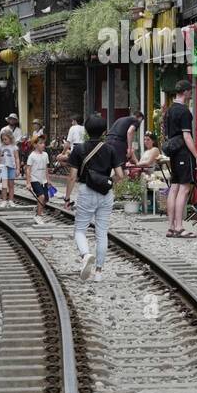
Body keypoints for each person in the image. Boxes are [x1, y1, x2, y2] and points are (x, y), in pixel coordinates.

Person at [69, 113, 122, 282]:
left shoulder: (78, 149)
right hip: (106, 194)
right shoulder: (110, 149)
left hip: (86, 191)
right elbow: (120, 175)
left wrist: (67, 197)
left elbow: (72, 177)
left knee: (80, 230)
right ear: (104, 132)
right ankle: (98, 273)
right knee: (102, 233)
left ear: (86, 130)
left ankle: (86, 255)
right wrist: (107, 180)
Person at [163, 79, 197, 239]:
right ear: (185, 92)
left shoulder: (169, 110)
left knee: (174, 188)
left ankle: (171, 226)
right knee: (184, 189)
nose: (191, 93)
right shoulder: (184, 112)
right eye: (190, 91)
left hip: (173, 153)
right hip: (183, 154)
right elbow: (187, 136)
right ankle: (179, 226)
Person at [25, 135, 52, 225]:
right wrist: (28, 182)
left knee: (46, 199)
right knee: (41, 197)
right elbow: (28, 169)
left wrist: (48, 180)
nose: (43, 145)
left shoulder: (45, 155)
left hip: (43, 180)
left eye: (43, 143)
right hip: (34, 179)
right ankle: (38, 216)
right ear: (35, 145)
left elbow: (46, 168)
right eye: (40, 143)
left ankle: (38, 209)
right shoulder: (32, 156)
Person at [0, 128, 18, 207]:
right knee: (4, 185)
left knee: (11, 185)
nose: (4, 141)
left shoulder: (14, 147)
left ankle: (11, 200)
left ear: (10, 138)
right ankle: (4, 201)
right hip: (3, 168)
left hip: (12, 168)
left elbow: (17, 158)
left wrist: (18, 168)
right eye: (2, 139)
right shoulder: (1, 147)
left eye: (5, 139)